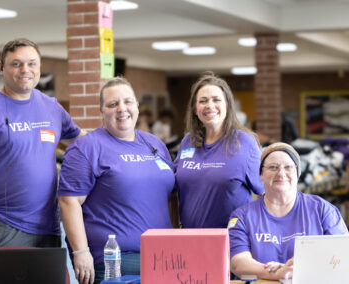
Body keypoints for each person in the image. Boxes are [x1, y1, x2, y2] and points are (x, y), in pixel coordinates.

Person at [0, 38, 82, 276]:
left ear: (39, 68)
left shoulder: (51, 107)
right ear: (1, 67)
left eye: (32, 63)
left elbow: (83, 142)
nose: (25, 70)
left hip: (49, 225)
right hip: (3, 227)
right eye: (16, 64)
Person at [58, 77, 175, 284]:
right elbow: (69, 202)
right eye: (113, 104)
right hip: (115, 262)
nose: (122, 109)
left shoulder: (155, 144)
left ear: (137, 106)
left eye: (128, 102)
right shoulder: (87, 148)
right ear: (101, 110)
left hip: (163, 257)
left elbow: (169, 196)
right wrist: (81, 252)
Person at [228, 142, 348, 280]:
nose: (281, 173)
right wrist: (277, 273)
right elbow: (237, 265)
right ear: (261, 174)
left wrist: (299, 269)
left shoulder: (322, 210)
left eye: (288, 167)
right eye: (273, 167)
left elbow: (342, 257)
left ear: (298, 173)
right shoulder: (242, 216)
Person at [174, 72, 264, 228]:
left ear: (227, 106)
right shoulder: (188, 141)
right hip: (189, 237)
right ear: (195, 109)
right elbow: (173, 186)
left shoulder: (245, 142)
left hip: (231, 240)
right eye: (203, 101)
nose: (210, 105)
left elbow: (266, 191)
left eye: (216, 100)